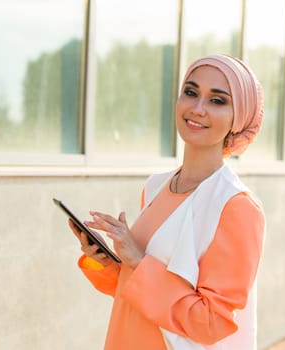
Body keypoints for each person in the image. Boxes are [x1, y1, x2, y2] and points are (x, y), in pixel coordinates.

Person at [68, 54, 265, 350]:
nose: (198, 108)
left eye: (218, 101)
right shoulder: (156, 186)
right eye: (191, 92)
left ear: (239, 119)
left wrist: (137, 259)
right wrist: (108, 262)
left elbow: (212, 322)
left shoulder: (236, 207)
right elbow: (138, 290)